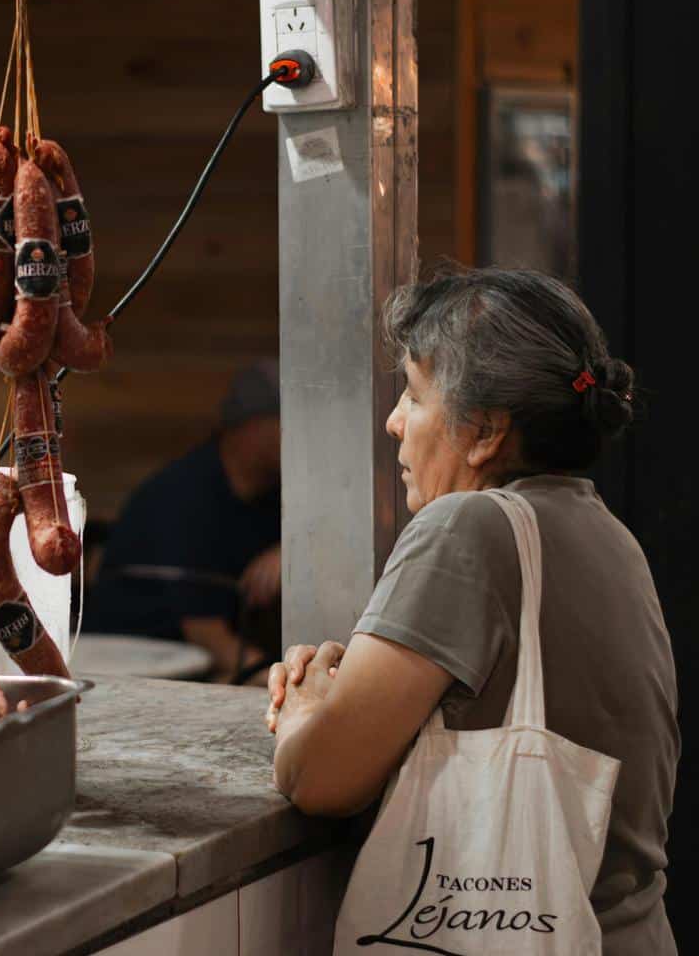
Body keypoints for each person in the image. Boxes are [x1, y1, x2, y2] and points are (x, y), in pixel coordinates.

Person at [265, 268, 677, 954]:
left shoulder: (468, 528)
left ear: (484, 431)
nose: (394, 420)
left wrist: (307, 702)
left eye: (414, 395)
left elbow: (317, 778)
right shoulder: (606, 533)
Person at [86, 359, 281, 684]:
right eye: (288, 422)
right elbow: (208, 636)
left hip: (188, 661)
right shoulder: (185, 496)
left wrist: (289, 550)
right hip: (129, 667)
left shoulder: (270, 495)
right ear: (252, 425)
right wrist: (283, 679)